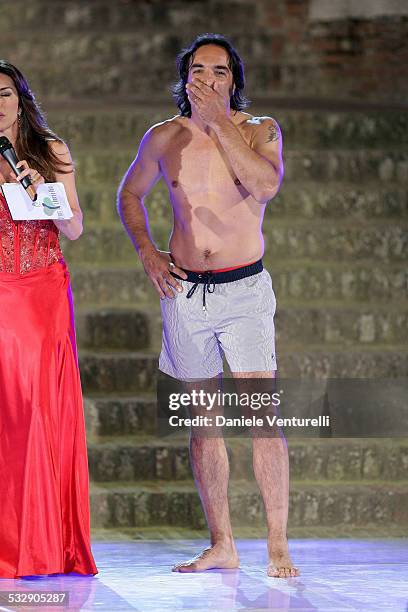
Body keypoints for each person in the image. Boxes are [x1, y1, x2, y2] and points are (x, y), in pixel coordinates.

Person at [117, 34, 299, 578]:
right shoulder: (163, 137)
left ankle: (277, 545)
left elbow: (265, 186)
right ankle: (222, 544)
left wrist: (221, 123)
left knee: (262, 416)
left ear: (233, 80)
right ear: (185, 78)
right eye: (199, 70)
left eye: (220, 72)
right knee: (204, 423)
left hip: (244, 289)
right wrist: (148, 252)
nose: (209, 79)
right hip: (185, 293)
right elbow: (130, 195)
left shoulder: (260, 130)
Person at [0, 60, 97, 578]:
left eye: (5, 94)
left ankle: (40, 542)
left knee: (36, 409)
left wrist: (45, 194)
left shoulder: (50, 150)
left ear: (20, 99)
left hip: (41, 291)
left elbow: (75, 228)